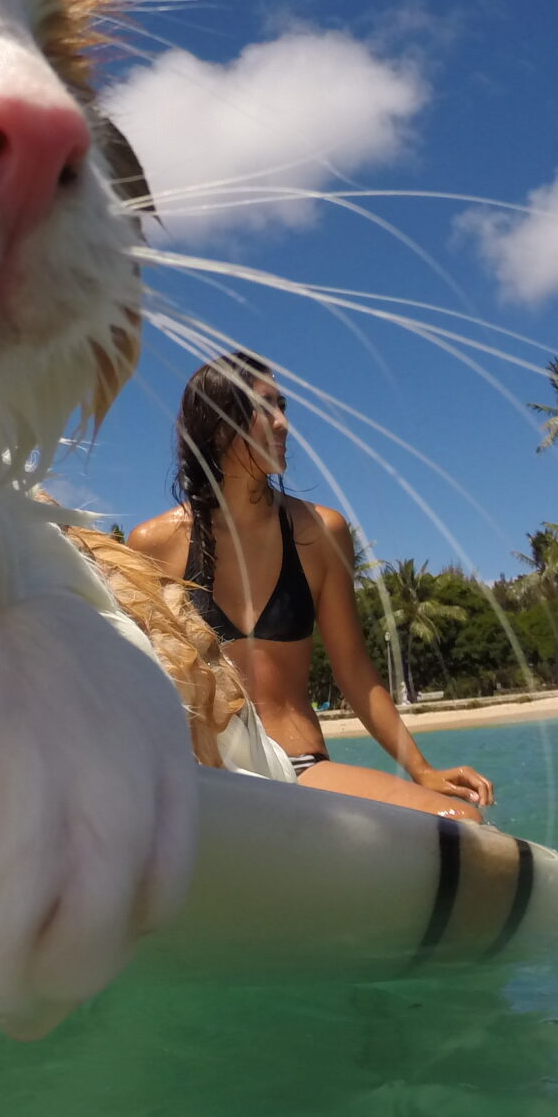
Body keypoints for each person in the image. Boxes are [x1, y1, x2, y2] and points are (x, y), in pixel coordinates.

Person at [129, 352, 495, 821]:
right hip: (202, 776)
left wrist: (421, 769)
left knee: (463, 822)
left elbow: (355, 674)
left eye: (284, 407)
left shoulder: (321, 533)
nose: (283, 423)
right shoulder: (154, 543)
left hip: (297, 768)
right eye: (267, 407)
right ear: (219, 425)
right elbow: (145, 682)